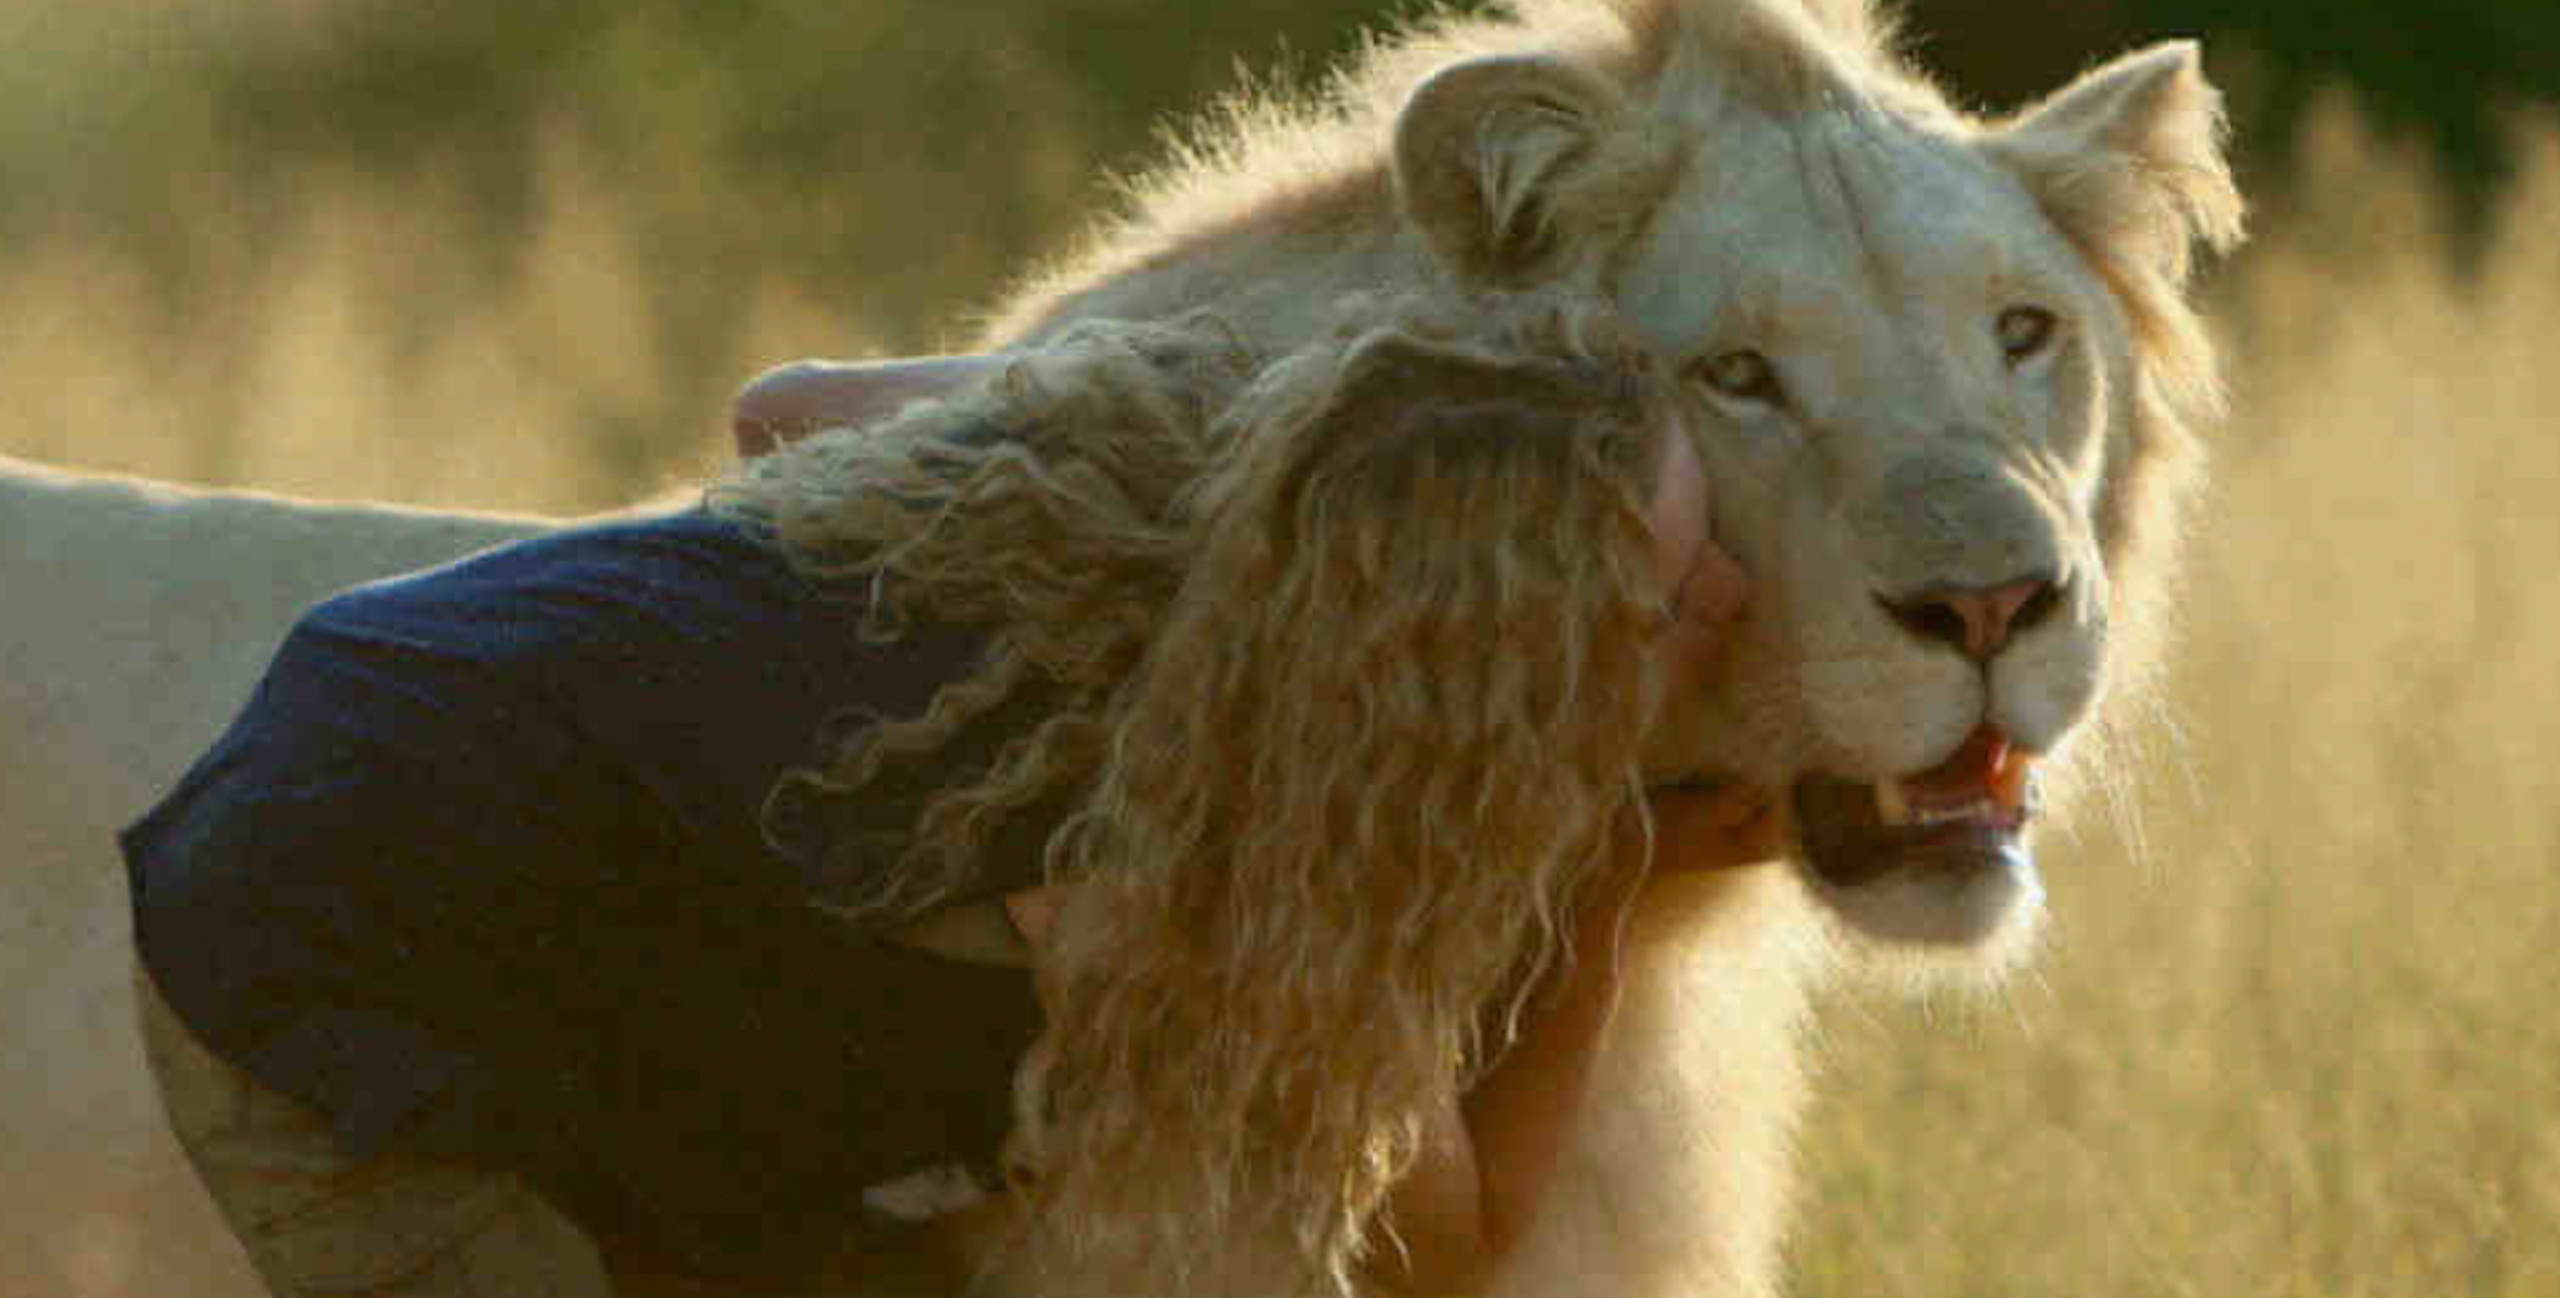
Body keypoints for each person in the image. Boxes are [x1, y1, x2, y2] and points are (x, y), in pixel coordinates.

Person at [124, 306, 1775, 1298]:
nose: (1728, 599)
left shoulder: (1174, 465)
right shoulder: (1189, 855)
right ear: (1468, 659)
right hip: (318, 948)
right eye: (1664, 590)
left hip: (389, 705)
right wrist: (1602, 899)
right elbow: (1441, 1249)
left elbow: (789, 408)